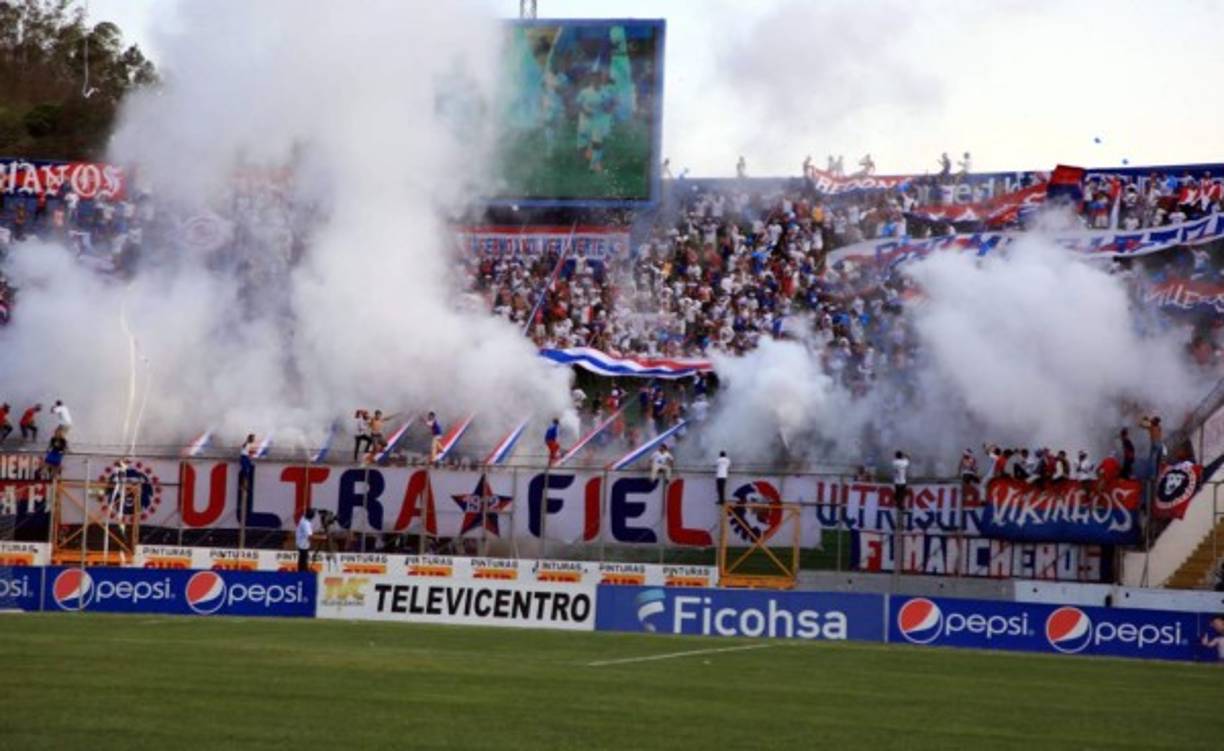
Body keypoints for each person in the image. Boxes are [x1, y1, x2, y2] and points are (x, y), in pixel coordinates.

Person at [239, 433, 257, 510]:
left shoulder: (249, 444)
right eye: (253, 438)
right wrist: (252, 452)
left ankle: (245, 484)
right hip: (244, 457)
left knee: (248, 471)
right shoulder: (247, 443)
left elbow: (250, 451)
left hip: (246, 457)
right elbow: (247, 450)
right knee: (245, 471)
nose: (254, 439)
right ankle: (243, 485)